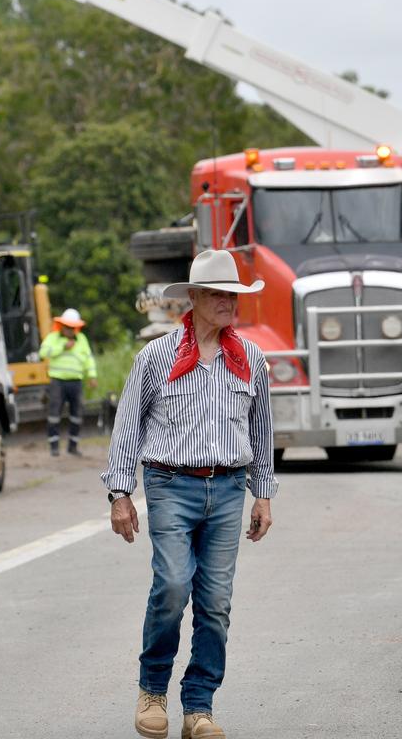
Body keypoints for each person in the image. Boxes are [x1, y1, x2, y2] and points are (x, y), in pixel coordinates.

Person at [101, 249, 277, 739]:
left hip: (227, 489)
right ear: (194, 299)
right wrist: (120, 493)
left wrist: (262, 494)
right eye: (219, 294)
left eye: (233, 295)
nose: (228, 303)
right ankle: (152, 689)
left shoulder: (251, 361)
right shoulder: (155, 357)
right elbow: (127, 428)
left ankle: (199, 708)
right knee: (174, 586)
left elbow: (261, 433)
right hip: (169, 485)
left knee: (216, 602)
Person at [39, 308, 97, 456]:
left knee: (77, 415)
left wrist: (92, 376)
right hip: (57, 381)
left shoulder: (82, 339)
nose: (70, 330)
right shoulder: (53, 338)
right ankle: (54, 447)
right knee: (54, 414)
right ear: (62, 326)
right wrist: (62, 347)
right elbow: (43, 352)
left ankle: (73, 446)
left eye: (73, 327)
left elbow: (88, 359)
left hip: (76, 382)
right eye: (67, 327)